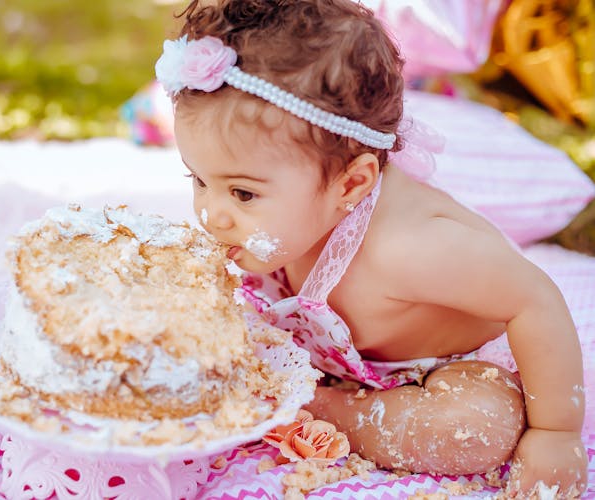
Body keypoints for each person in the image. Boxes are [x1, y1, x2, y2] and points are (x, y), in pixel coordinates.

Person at [155, 0, 587, 496]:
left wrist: (557, 433)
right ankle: (298, 385)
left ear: (351, 184)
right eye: (198, 179)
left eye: (242, 193)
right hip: (340, 356)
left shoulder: (412, 247)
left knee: (474, 429)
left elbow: (535, 299)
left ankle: (320, 406)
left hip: (443, 369)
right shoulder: (283, 219)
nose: (212, 213)